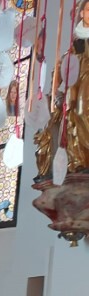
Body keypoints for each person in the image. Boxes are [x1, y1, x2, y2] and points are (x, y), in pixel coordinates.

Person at [66, 0, 89, 172]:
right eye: (88, 9)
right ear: (82, 13)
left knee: (82, 111)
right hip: (80, 78)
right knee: (77, 113)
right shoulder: (76, 38)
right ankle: (81, 157)